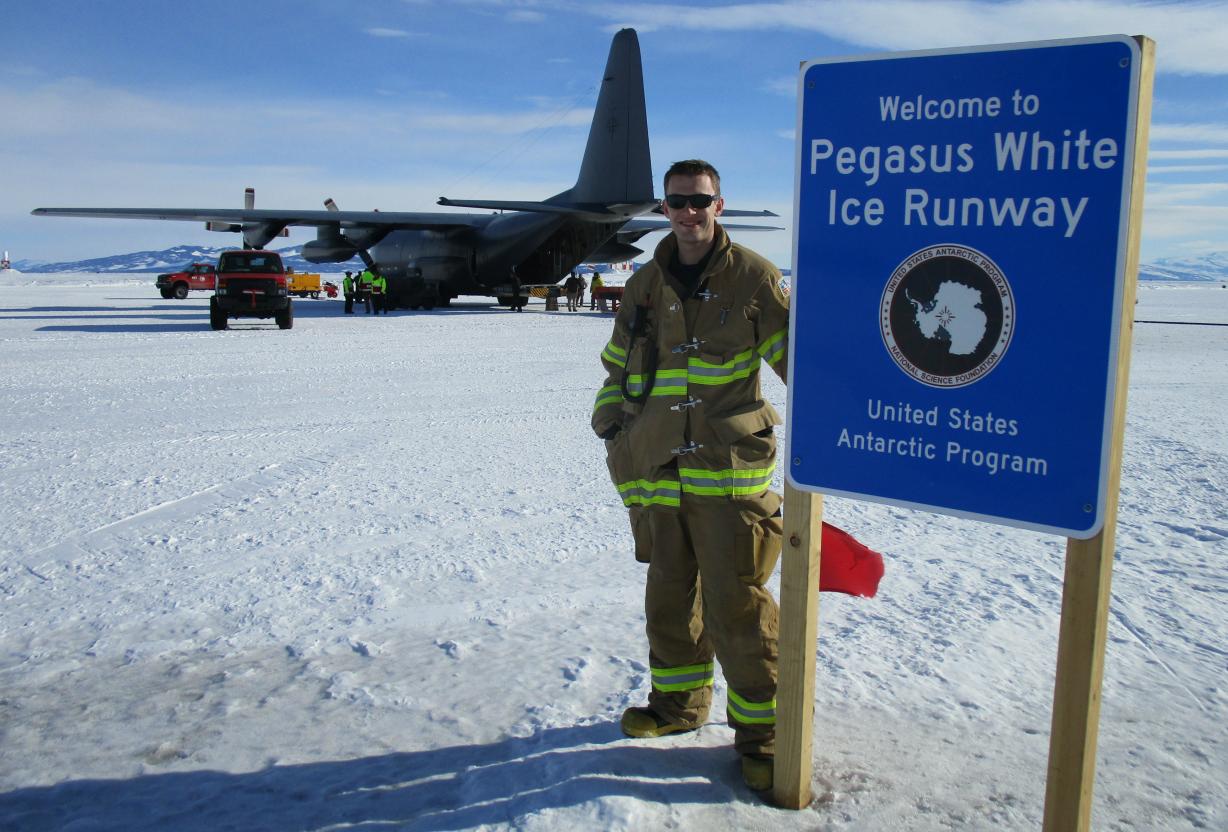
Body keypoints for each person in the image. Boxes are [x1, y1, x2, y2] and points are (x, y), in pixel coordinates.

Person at [591, 159, 789, 793]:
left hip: (726, 474)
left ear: (719, 204)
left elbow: (798, 359)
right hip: (658, 468)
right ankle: (678, 707)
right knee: (671, 600)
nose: (689, 211)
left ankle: (766, 737)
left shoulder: (754, 278)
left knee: (739, 606)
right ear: (664, 206)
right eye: (678, 201)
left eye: (700, 201)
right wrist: (610, 421)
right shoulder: (646, 281)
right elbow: (620, 360)